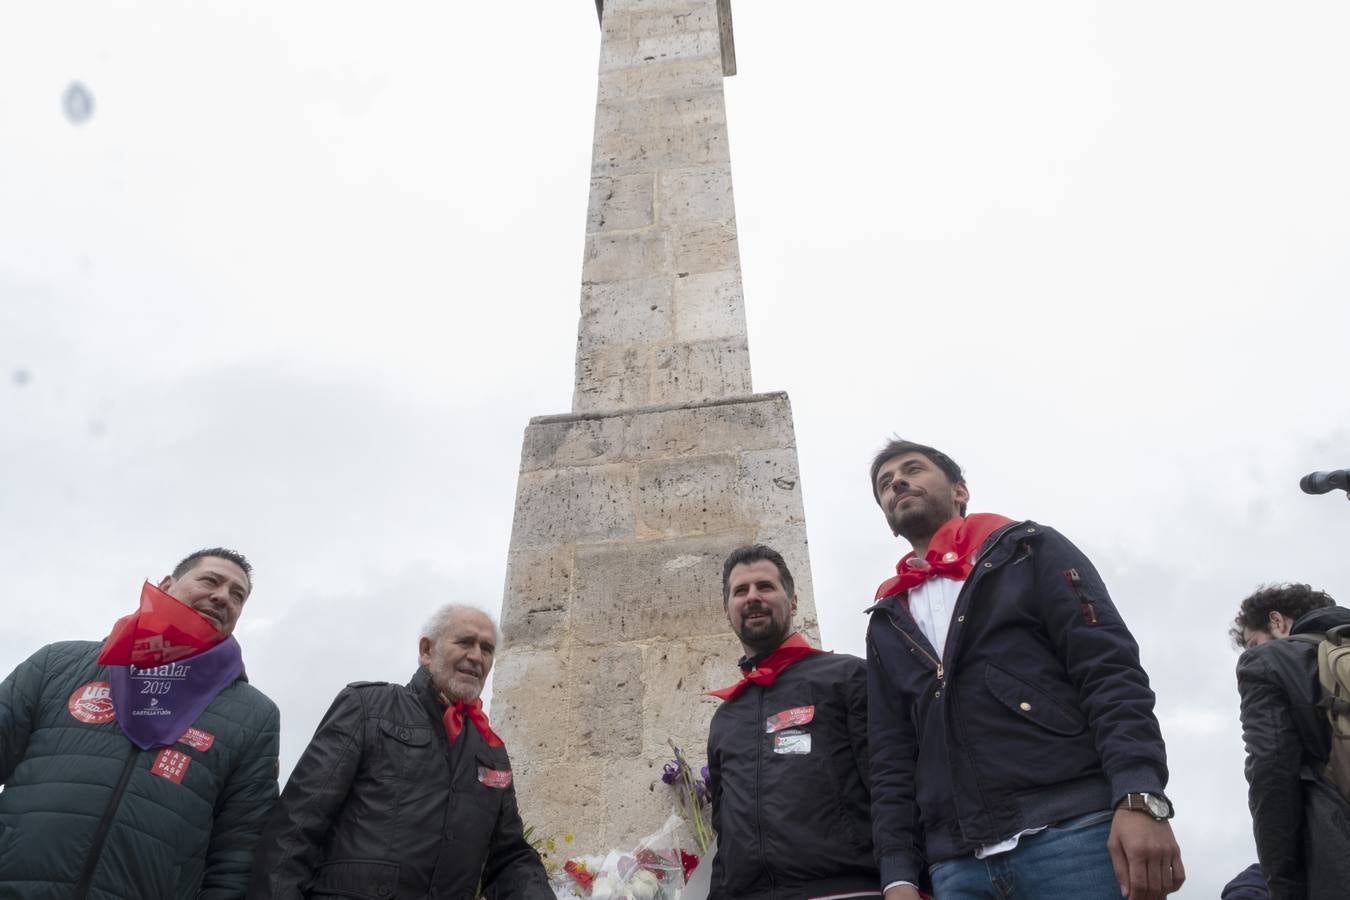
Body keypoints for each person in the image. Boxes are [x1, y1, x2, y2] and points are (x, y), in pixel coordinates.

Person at [863, 439, 1184, 900]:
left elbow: (1109, 673)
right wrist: (898, 875)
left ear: (960, 490)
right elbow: (891, 756)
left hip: (1075, 834)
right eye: (884, 485)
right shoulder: (886, 618)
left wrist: (1140, 795)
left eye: (912, 469)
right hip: (956, 867)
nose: (897, 482)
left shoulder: (1030, 550)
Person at [0, 547, 281, 899]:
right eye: (210, 580)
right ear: (166, 585)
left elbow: (238, 852)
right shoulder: (58, 665)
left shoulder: (252, 715)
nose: (222, 596)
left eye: (237, 595)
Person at [248, 603, 550, 899]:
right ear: (427, 651)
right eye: (465, 642)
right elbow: (296, 826)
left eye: (486, 649)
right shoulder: (368, 706)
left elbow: (509, 856)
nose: (476, 656)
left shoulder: (491, 751)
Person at [705, 544, 879, 900]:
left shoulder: (846, 677)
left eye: (765, 586)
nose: (753, 597)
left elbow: (890, 788)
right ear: (728, 611)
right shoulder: (726, 717)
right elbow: (724, 832)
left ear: (793, 601)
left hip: (845, 891)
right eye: (741, 591)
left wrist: (903, 880)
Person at [1231, 583, 1350, 899]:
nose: (1251, 651)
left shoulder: (1269, 662)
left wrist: (1282, 884)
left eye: (1251, 642)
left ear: (1277, 622)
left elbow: (1271, 774)